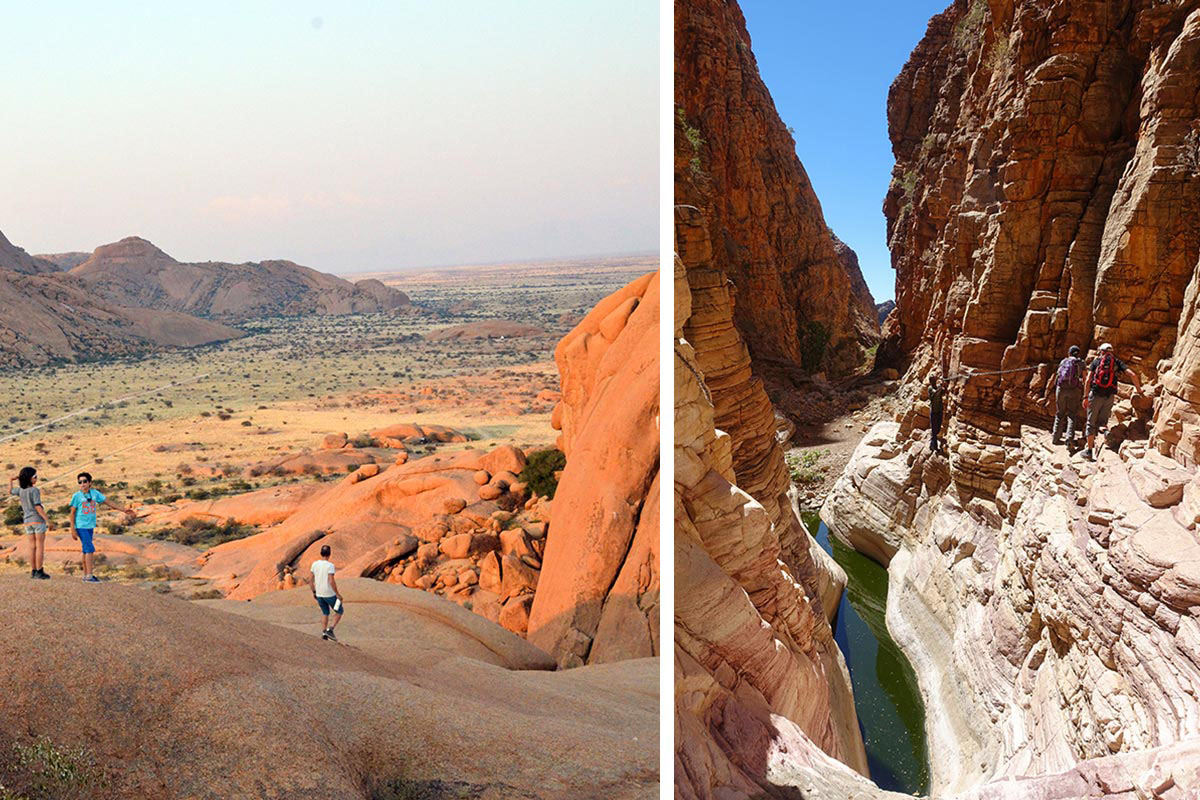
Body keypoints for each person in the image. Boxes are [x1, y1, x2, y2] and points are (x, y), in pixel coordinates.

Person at [69, 472, 132, 583]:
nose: (82, 484)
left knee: (85, 550)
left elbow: (109, 502)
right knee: (89, 549)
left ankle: (85, 575)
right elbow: (72, 512)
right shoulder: (76, 496)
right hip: (81, 526)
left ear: (90, 483)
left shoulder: (95, 494)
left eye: (84, 481)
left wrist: (123, 509)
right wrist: (72, 529)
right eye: (80, 482)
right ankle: (89, 576)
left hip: (90, 526)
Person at [1084, 343, 1142, 461]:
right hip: (1109, 395)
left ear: (1101, 351)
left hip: (1095, 395)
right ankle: (1105, 433)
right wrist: (1139, 390)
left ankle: (1089, 452)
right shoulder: (1116, 362)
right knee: (1103, 421)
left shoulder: (1096, 362)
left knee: (1090, 422)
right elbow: (1133, 374)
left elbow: (1088, 380)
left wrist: (1085, 397)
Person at [9, 467, 51, 579]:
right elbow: (38, 506)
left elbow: (10, 491)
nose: (36, 478)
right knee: (40, 546)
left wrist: (11, 480)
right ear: (30, 479)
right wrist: (48, 520)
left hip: (27, 522)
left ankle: (33, 571)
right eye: (35, 477)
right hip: (37, 520)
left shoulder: (21, 490)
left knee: (32, 547)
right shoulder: (34, 490)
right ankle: (39, 571)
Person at [1052, 345, 1086, 447]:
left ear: (1069, 353)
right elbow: (1085, 378)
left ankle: (1055, 437)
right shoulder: (1081, 363)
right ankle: (1069, 438)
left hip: (1061, 389)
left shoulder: (1063, 361)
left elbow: (1058, 376)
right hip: (1074, 390)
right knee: (1072, 414)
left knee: (1060, 413)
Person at [310, 544, 344, 641]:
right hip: (329, 594)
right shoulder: (330, 566)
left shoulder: (314, 564)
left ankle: (324, 633)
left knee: (325, 612)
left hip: (319, 594)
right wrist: (337, 594)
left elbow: (310, 580)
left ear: (321, 553)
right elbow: (331, 581)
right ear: (329, 554)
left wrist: (314, 592)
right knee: (339, 611)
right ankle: (331, 629)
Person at [928, 373, 947, 454]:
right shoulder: (930, 388)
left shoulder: (937, 387)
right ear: (931, 381)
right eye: (934, 379)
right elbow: (935, 394)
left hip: (939, 410)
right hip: (934, 411)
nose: (935, 380)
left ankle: (932, 444)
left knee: (938, 428)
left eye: (935, 379)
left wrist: (944, 386)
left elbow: (943, 392)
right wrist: (940, 387)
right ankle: (934, 447)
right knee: (934, 430)